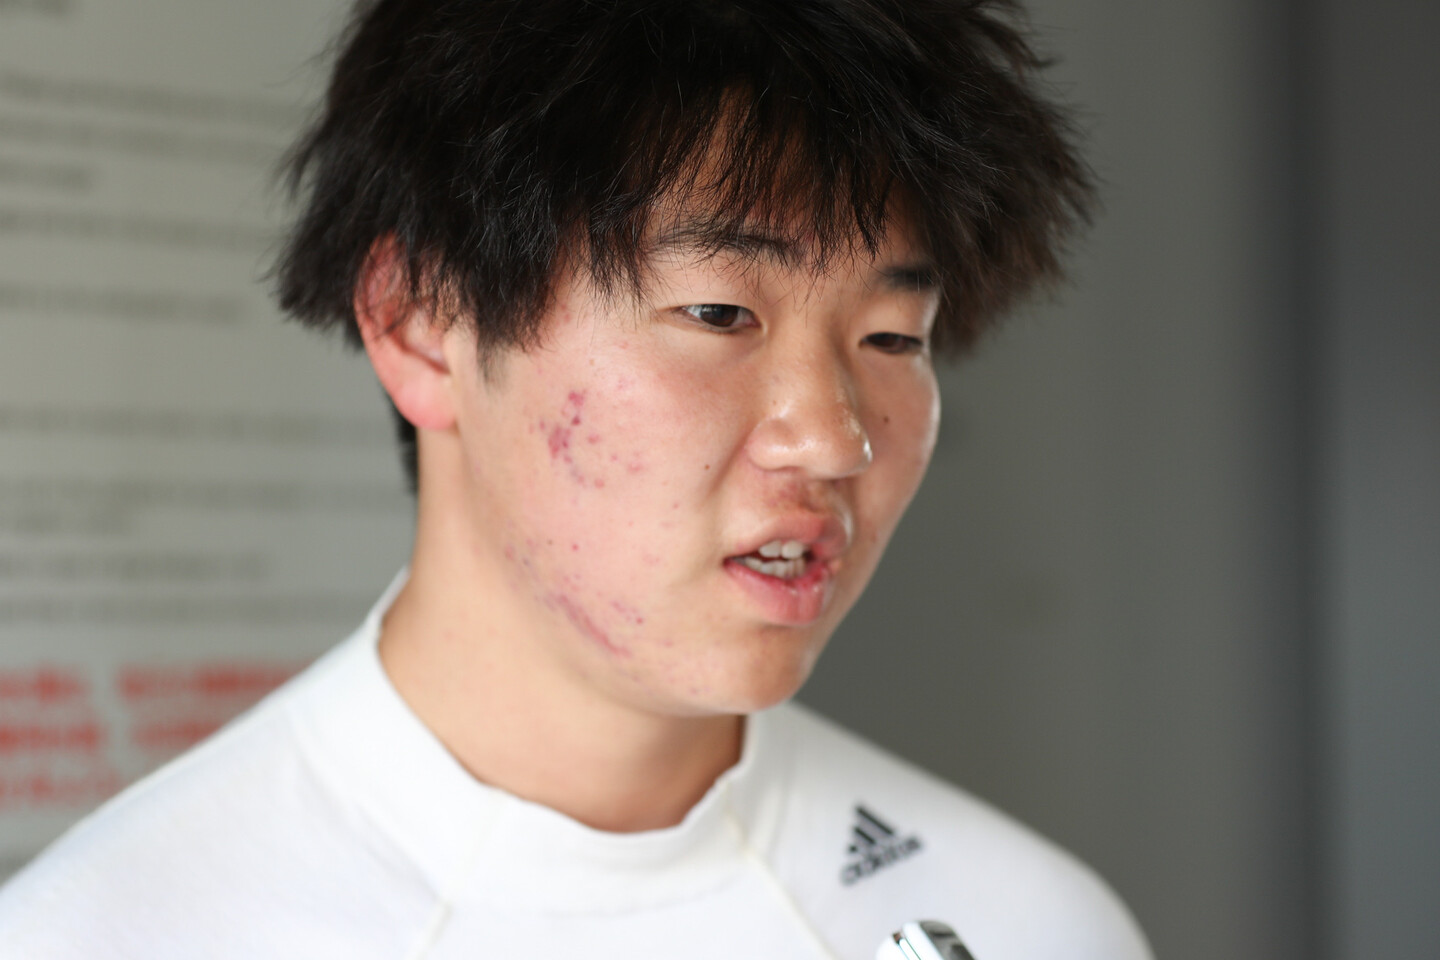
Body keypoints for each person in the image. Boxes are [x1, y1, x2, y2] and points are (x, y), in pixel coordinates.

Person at [0, 1, 1153, 957]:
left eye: (893, 337)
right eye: (719, 312)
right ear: (421, 322)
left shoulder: (1031, 921)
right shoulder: (105, 932)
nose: (832, 438)